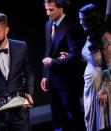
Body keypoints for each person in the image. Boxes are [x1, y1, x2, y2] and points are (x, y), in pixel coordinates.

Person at [40, 0, 85, 130]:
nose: (48, 13)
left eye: (51, 10)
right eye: (46, 9)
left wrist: (53, 62)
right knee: (56, 117)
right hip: (52, 80)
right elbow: (47, 50)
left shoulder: (71, 27)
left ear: (61, 8)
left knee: (73, 115)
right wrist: (45, 75)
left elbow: (75, 55)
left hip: (67, 81)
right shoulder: (49, 24)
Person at [79, 3, 111, 131]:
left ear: (91, 20)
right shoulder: (90, 34)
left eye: (83, 20)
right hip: (90, 83)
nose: (81, 22)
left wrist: (104, 89)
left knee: (101, 121)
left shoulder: (106, 38)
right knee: (91, 120)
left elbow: (110, 65)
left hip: (101, 85)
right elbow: (92, 56)